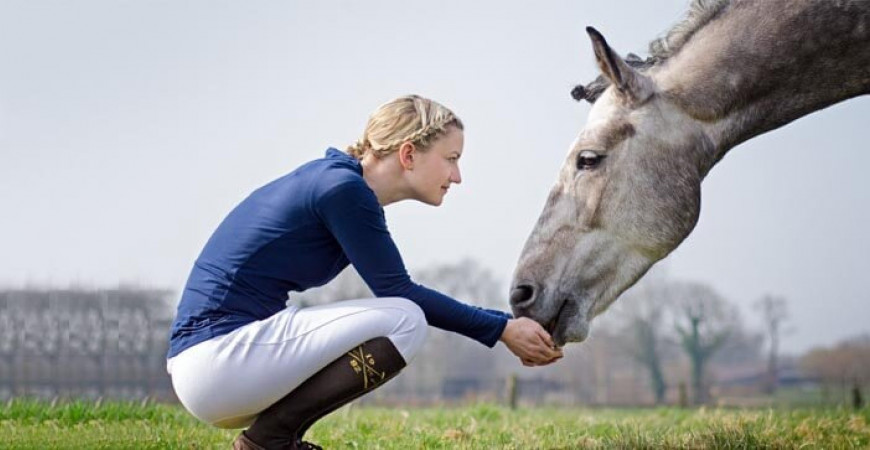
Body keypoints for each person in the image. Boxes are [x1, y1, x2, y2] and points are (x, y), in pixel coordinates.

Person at [165, 94, 563, 450]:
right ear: (408, 155)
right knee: (404, 319)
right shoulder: (343, 190)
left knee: (399, 316)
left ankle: (275, 438)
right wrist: (501, 329)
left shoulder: (337, 182)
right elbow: (400, 291)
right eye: (452, 159)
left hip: (220, 369)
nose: (457, 177)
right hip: (218, 362)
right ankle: (269, 441)